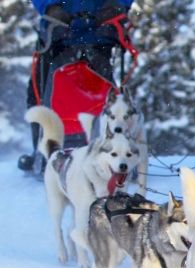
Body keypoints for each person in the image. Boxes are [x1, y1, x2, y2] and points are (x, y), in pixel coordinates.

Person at [18, 0, 134, 172]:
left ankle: (45, 152)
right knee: (105, 91)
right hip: (83, 32)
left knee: (42, 92)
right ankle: (111, 150)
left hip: (70, 32)